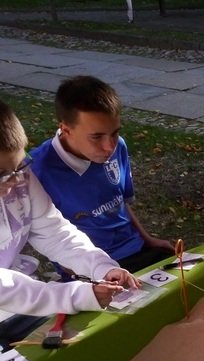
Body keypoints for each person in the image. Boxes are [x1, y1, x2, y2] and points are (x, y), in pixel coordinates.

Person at [0, 100, 139, 349]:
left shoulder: (18, 176)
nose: (15, 180)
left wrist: (101, 268)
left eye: (20, 166)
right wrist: (78, 295)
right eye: (2, 173)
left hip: (19, 306)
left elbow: (55, 232)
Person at [30, 75, 174, 275]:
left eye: (114, 133)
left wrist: (149, 239)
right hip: (90, 267)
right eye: (96, 137)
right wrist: (80, 278)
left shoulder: (118, 147)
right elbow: (50, 237)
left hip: (137, 250)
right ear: (66, 129)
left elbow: (119, 201)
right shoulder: (36, 171)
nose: (109, 146)